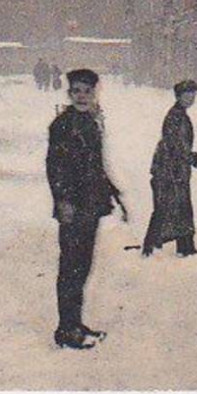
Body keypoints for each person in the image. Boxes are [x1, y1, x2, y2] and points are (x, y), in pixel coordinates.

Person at [45, 68, 126, 349]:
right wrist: (63, 201)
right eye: (77, 91)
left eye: (87, 91)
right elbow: (55, 168)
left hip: (90, 205)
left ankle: (74, 322)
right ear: (69, 94)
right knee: (71, 267)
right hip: (73, 207)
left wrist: (113, 194)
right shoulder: (63, 125)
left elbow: (97, 165)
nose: (82, 96)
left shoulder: (90, 122)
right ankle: (66, 330)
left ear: (95, 93)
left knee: (82, 266)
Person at [143, 80, 197, 257]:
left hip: (175, 167)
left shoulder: (180, 114)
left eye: (193, 94)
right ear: (178, 96)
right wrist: (190, 157)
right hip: (170, 169)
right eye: (187, 94)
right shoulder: (175, 116)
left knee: (179, 206)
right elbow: (174, 144)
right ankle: (150, 247)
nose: (190, 97)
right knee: (167, 207)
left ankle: (184, 246)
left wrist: (189, 157)